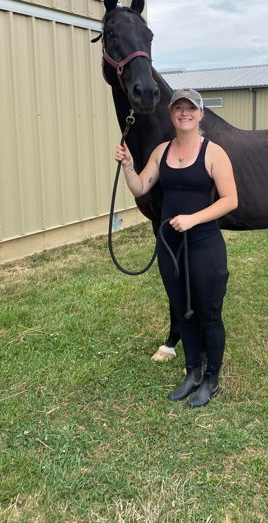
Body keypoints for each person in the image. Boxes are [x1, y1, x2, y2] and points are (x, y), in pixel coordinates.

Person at [114, 88, 238, 408]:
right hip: (170, 246)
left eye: (191, 108)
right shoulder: (161, 151)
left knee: (208, 313)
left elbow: (230, 200)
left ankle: (212, 378)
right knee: (183, 310)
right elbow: (142, 186)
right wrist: (128, 165)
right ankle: (192, 372)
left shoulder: (213, 152)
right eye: (178, 108)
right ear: (172, 114)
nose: (185, 113)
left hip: (204, 244)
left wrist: (193, 219)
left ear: (200, 114)